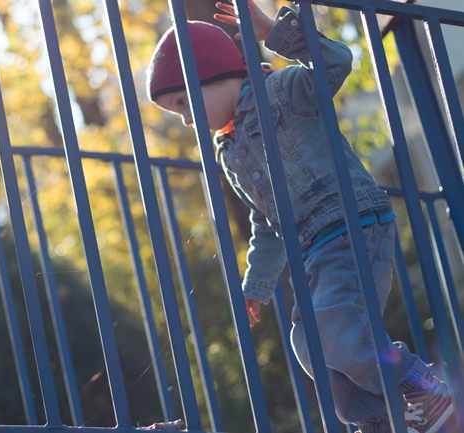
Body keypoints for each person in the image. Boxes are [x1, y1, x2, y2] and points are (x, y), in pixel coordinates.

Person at [146, 1, 455, 433]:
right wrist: (258, 282)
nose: (185, 119)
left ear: (216, 74)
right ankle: (385, 421)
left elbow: (334, 61)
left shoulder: (284, 91)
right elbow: (265, 221)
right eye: (175, 112)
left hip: (354, 224)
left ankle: (418, 383)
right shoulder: (229, 151)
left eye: (183, 101)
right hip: (314, 250)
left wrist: (273, 31)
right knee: (309, 346)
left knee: (333, 327)